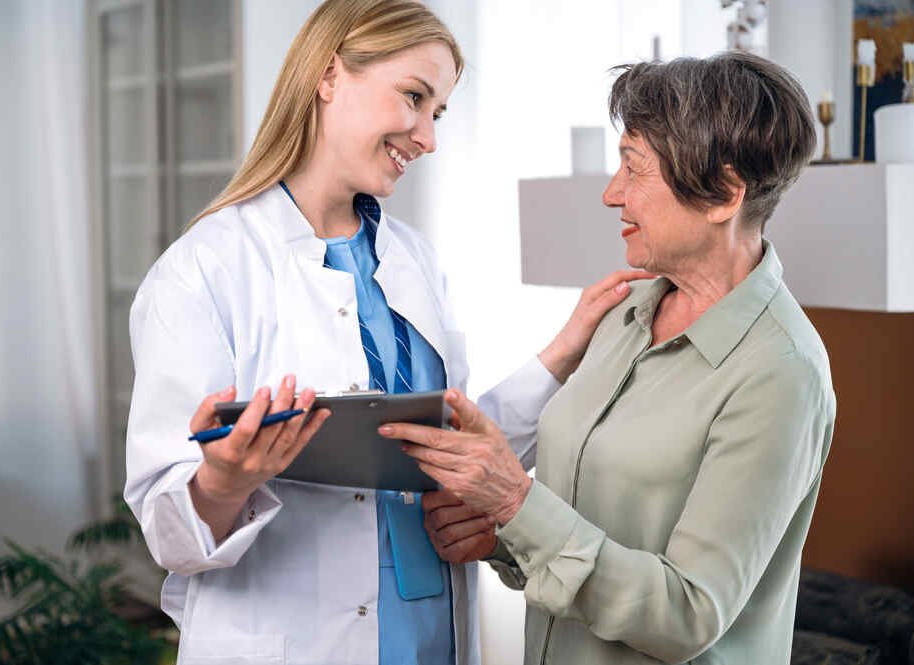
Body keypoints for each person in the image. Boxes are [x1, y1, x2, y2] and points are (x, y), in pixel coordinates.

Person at [124, 1, 649, 664]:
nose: (428, 136)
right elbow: (168, 532)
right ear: (328, 75)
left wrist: (564, 349)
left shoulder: (413, 260)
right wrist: (224, 483)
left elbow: (441, 441)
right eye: (414, 97)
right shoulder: (206, 269)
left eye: (439, 113)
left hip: (432, 634)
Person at [380, 51, 836, 664]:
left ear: (724, 195)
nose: (610, 193)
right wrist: (501, 534)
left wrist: (517, 501)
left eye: (633, 168)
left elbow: (687, 612)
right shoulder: (624, 313)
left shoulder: (780, 374)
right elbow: (593, 526)